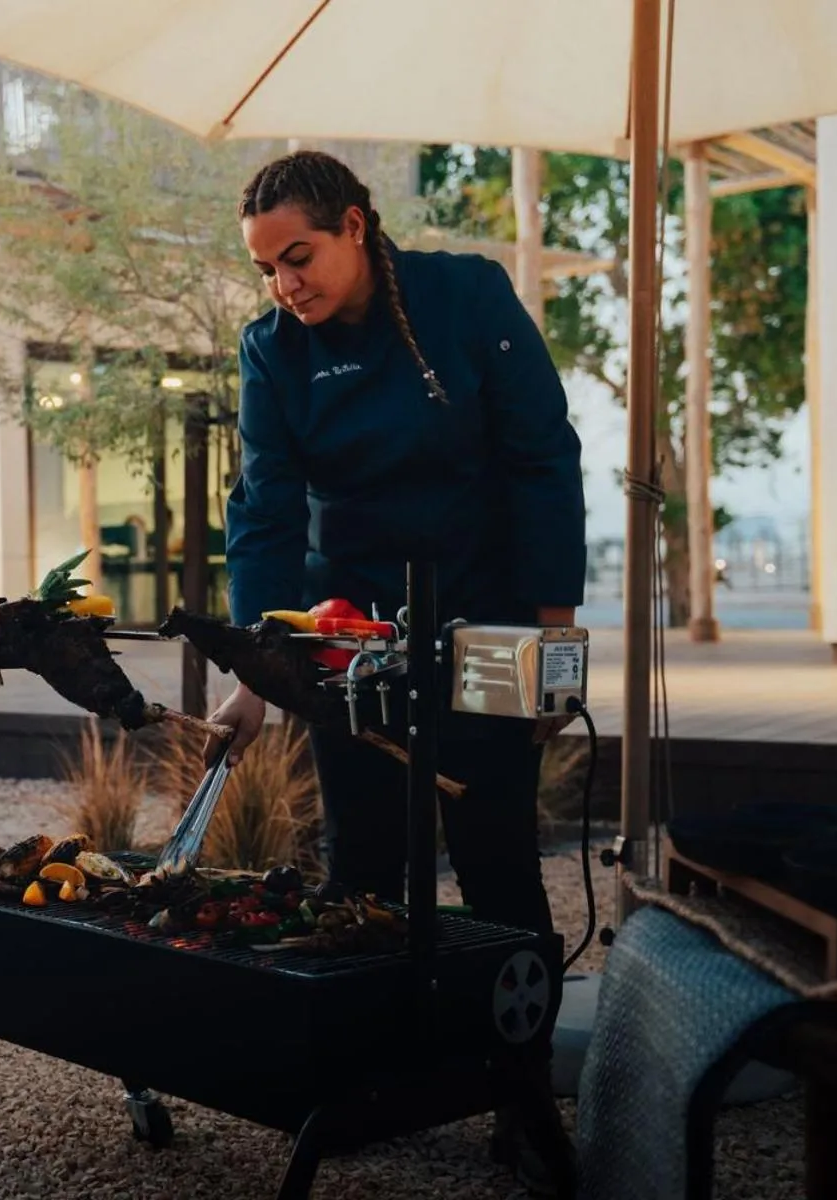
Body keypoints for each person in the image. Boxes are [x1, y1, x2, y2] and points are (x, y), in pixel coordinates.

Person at [207, 150, 586, 1194]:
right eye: (266, 268)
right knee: (362, 863)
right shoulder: (273, 350)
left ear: (356, 225)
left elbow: (542, 455)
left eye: (298, 256)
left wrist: (553, 645)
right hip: (350, 631)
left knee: (497, 859)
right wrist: (256, 670)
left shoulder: (467, 297)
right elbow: (265, 508)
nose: (284, 284)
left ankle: (518, 1092)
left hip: (488, 614)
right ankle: (368, 1079)